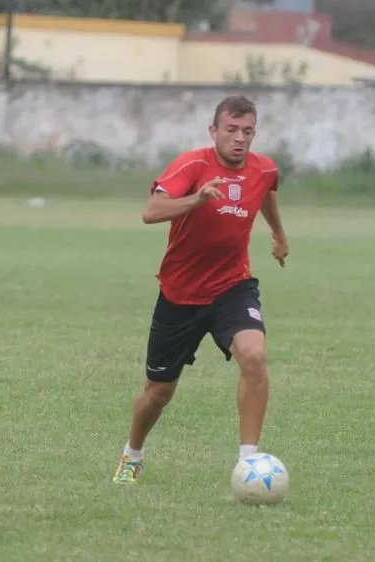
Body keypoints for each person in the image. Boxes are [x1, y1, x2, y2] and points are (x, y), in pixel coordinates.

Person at [112, 95, 289, 485]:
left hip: (233, 286)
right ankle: (132, 453)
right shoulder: (192, 165)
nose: (239, 139)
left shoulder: (264, 169)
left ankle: (248, 463)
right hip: (180, 295)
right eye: (231, 130)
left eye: (247, 132)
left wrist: (278, 233)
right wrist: (196, 198)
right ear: (214, 131)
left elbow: (267, 191)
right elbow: (150, 212)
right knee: (157, 393)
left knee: (254, 356)